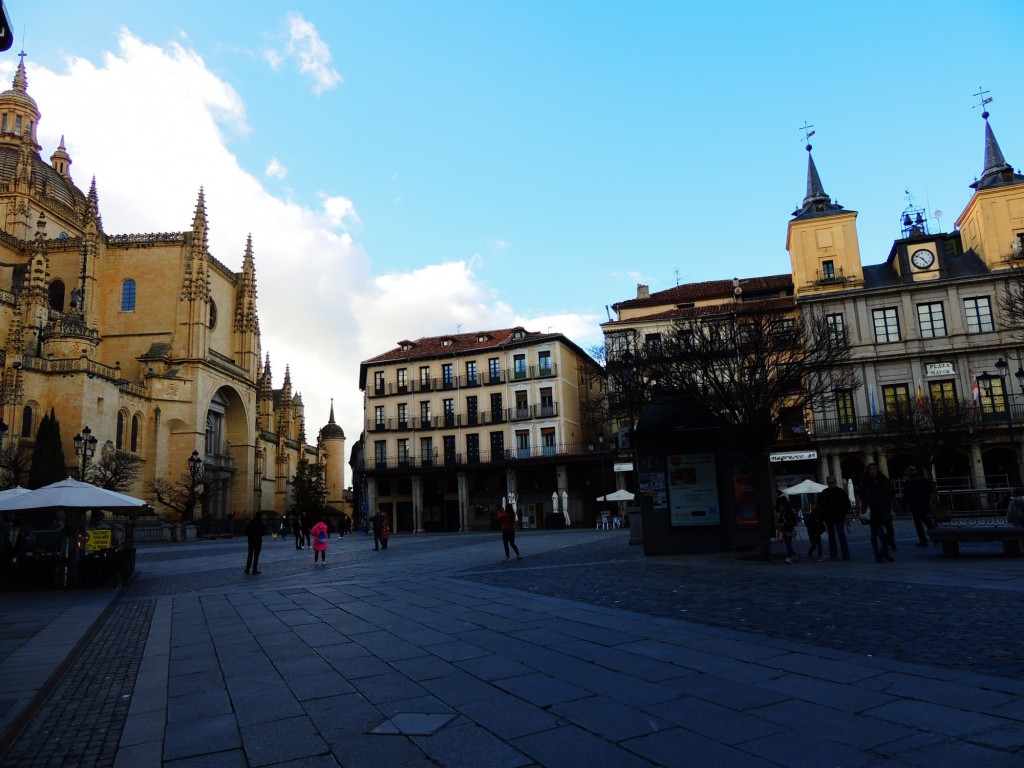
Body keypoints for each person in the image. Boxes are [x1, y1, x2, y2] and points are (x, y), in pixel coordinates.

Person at [861, 463, 895, 563]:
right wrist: (870, 503)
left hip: (884, 508)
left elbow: (891, 490)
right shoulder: (865, 482)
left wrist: (889, 502)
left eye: (874, 469)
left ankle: (884, 551)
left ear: (877, 469)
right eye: (870, 469)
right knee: (875, 534)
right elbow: (862, 495)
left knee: (890, 531)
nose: (872, 471)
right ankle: (877, 555)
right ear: (868, 471)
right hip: (874, 510)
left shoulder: (883, 479)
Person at [816, 476, 851, 561]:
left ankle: (845, 554)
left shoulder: (841, 492)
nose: (830, 484)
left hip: (839, 517)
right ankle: (833, 554)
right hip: (828, 517)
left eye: (832, 483)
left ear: (835, 482)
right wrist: (822, 516)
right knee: (831, 536)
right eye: (829, 483)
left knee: (841, 534)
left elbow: (847, 504)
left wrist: (844, 513)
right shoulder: (824, 492)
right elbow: (819, 504)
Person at [903, 465, 936, 547]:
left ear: (909, 472)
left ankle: (923, 540)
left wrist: (906, 503)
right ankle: (935, 538)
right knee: (928, 523)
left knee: (918, 525)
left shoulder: (909, 482)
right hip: (926, 504)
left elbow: (906, 495)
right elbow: (931, 491)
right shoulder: (925, 480)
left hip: (915, 506)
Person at [775, 489, 797, 564]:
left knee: (787, 543)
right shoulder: (785, 512)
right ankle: (792, 555)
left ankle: (789, 557)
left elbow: (789, 522)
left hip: (787, 529)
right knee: (788, 543)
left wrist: (782, 524)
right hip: (786, 529)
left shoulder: (785, 513)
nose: (780, 507)